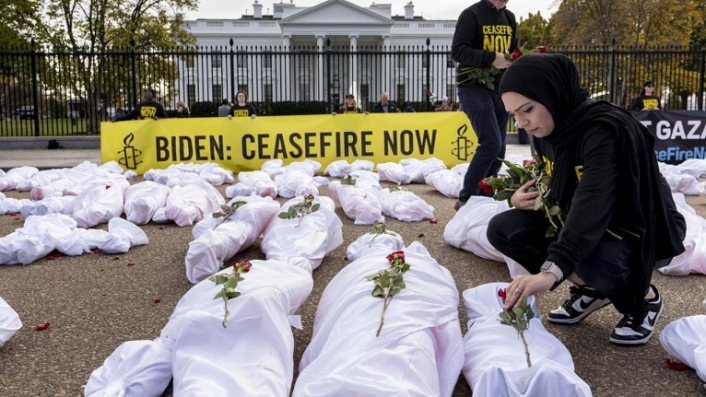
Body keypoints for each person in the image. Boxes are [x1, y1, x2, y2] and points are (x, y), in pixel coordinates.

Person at [486, 53, 686, 346]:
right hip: (597, 227)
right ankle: (593, 291)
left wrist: (552, 271)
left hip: (641, 230)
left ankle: (643, 299)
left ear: (552, 94)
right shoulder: (547, 129)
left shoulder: (604, 131)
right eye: (513, 114)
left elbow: (593, 199)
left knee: (593, 262)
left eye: (527, 109)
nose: (521, 123)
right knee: (503, 228)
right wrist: (521, 197)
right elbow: (562, 184)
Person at [451, 0, 518, 211]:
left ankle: (484, 197)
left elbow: (512, 50)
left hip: (500, 88)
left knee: (499, 149)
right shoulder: (471, 14)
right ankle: (466, 199)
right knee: (490, 143)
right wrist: (490, 58)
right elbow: (458, 51)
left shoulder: (509, 18)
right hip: (473, 87)